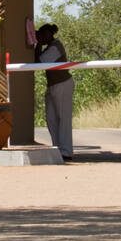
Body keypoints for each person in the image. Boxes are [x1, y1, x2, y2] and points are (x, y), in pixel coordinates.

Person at [35, 23, 75, 161]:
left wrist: (37, 44)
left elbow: (38, 62)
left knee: (63, 118)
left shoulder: (56, 47)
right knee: (51, 118)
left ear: (49, 35)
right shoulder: (51, 47)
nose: (41, 37)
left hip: (63, 84)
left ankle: (66, 151)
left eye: (42, 35)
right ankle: (57, 148)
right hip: (53, 85)